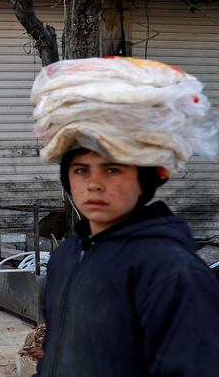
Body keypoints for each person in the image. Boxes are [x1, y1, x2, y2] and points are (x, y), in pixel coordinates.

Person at [30, 57, 219, 376]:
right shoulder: (66, 256)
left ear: (143, 180)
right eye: (80, 170)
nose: (93, 184)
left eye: (112, 169)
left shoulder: (174, 274)